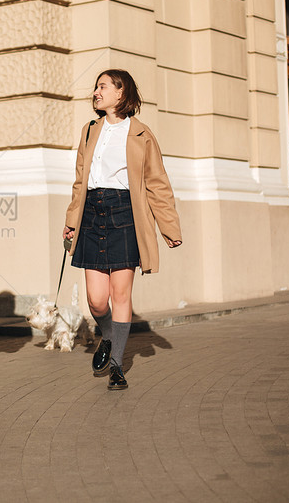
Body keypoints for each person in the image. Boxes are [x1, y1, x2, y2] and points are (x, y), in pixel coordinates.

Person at [63, 69, 182, 390]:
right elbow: (79, 181)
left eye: (103, 86)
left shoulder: (142, 134)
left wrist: (169, 226)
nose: (96, 91)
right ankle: (107, 334)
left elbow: (158, 183)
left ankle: (117, 365)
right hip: (91, 213)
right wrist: (71, 221)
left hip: (125, 213)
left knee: (120, 294)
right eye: (96, 86)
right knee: (96, 300)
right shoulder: (90, 131)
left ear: (121, 92)